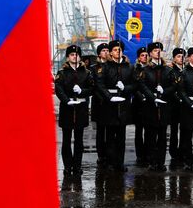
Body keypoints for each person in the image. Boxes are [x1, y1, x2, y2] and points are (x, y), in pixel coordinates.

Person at [95, 40, 135, 172]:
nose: (118, 52)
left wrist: (125, 88)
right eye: (115, 50)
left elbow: (135, 84)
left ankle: (120, 162)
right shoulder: (105, 67)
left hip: (123, 104)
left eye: (120, 50)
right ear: (111, 52)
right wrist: (110, 96)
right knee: (110, 136)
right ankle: (111, 162)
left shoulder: (129, 67)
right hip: (109, 104)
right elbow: (100, 85)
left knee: (121, 137)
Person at [55, 45, 94, 176]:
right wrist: (67, 100)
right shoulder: (62, 73)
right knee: (66, 139)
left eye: (76, 54)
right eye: (72, 54)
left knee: (79, 140)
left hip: (81, 109)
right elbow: (59, 89)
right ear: (67, 57)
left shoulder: (86, 73)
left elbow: (92, 89)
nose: (75, 56)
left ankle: (77, 166)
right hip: (67, 108)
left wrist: (82, 91)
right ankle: (67, 166)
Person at [139, 42, 177, 172]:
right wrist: (153, 97)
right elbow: (142, 86)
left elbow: (174, 85)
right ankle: (151, 161)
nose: (158, 52)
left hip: (164, 105)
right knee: (150, 135)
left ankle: (161, 161)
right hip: (150, 106)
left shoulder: (168, 70)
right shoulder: (145, 70)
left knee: (162, 136)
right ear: (150, 53)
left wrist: (164, 92)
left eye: (160, 50)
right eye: (155, 50)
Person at [90, 42, 109, 166]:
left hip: (111, 102)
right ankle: (101, 155)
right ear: (99, 53)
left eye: (107, 50)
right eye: (103, 50)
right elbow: (94, 85)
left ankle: (109, 154)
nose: (106, 52)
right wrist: (102, 97)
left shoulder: (112, 66)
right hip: (99, 102)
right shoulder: (93, 68)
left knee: (111, 131)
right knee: (101, 131)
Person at [168, 47, 185, 164]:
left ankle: (183, 151)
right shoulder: (171, 71)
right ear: (174, 58)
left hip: (185, 104)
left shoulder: (186, 70)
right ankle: (173, 151)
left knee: (184, 129)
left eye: (183, 56)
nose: (181, 58)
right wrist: (178, 98)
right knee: (174, 130)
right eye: (179, 56)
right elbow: (171, 87)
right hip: (174, 104)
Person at [133, 46, 149, 166]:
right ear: (138, 57)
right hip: (138, 103)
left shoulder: (150, 69)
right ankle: (140, 155)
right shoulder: (135, 69)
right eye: (142, 55)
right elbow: (135, 86)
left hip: (149, 101)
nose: (145, 57)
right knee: (139, 130)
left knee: (148, 130)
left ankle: (147, 153)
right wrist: (141, 97)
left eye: (146, 55)